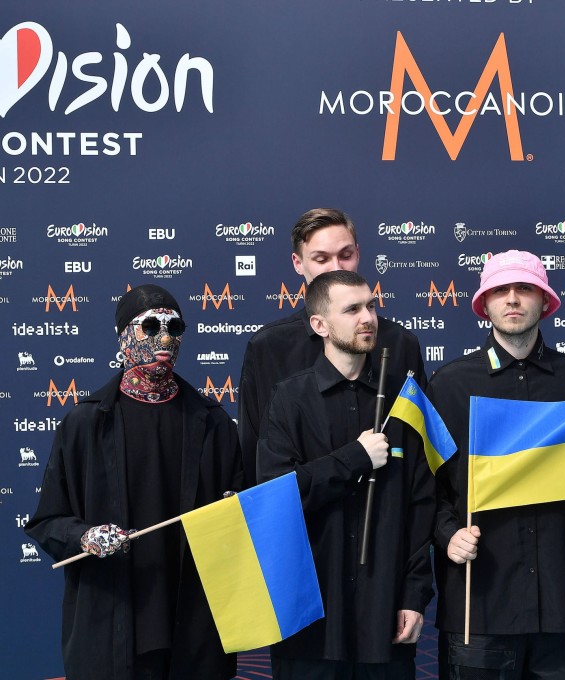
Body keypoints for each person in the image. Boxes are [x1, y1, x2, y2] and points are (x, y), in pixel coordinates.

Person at [426, 250, 565, 679]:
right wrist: (447, 534)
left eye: (524, 289)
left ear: (545, 301)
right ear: (483, 304)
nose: (512, 299)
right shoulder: (449, 385)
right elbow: (425, 488)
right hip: (481, 607)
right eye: (500, 291)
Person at [26, 284, 242, 680]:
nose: (165, 337)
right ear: (125, 336)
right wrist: (86, 536)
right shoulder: (86, 423)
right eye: (151, 326)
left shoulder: (213, 423)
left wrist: (235, 511)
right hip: (113, 627)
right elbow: (48, 519)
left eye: (174, 327)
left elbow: (242, 517)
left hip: (193, 631)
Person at [257, 270, 435, 680]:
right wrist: (353, 458)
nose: (367, 317)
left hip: (386, 622)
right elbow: (276, 497)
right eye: (352, 309)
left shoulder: (404, 400)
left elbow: (421, 506)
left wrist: (413, 596)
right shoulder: (288, 399)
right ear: (319, 324)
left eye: (371, 306)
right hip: (309, 622)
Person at [239, 208, 424, 488]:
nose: (336, 267)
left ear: (358, 254)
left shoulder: (399, 342)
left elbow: (420, 451)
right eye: (321, 258)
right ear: (298, 263)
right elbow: (256, 456)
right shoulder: (268, 347)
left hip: (385, 520)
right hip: (303, 524)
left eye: (345, 255)